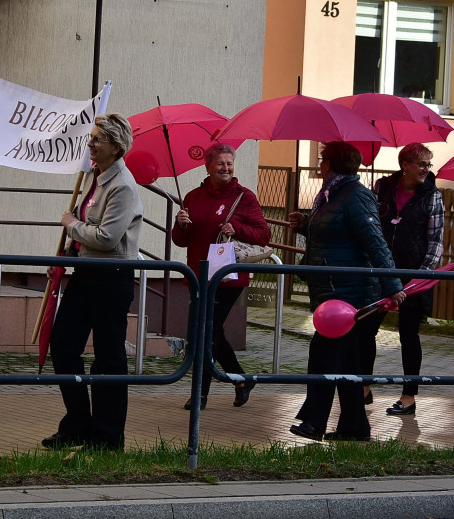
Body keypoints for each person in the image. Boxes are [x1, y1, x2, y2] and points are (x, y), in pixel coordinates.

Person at [287, 141, 403, 442]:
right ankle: (355, 427)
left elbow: (375, 243)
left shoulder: (356, 196)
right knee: (349, 361)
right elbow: (334, 233)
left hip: (349, 294)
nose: (319, 164)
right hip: (333, 289)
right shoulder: (332, 194)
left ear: (333, 164)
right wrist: (306, 225)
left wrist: (393, 286)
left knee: (324, 355)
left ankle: (314, 422)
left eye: (323, 159)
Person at [42, 114, 144, 452]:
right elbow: (88, 230)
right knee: (63, 345)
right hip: (84, 274)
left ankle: (107, 435)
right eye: (91, 137)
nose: (90, 143)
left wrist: (70, 225)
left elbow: (107, 237)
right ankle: (77, 423)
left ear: (116, 147)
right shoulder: (95, 178)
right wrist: (64, 258)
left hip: (111, 279)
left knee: (108, 357)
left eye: (98, 139)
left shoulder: (123, 186)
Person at [172, 142, 271, 409]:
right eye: (220, 164)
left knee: (208, 331)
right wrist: (180, 225)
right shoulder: (193, 196)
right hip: (198, 274)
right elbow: (181, 240)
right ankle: (241, 379)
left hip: (228, 277)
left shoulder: (244, 197)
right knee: (204, 331)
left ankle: (200, 394)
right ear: (208, 167)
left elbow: (264, 235)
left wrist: (236, 227)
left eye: (229, 163)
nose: (226, 168)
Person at [363, 142, 444, 416]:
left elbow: (436, 242)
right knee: (366, 329)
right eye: (421, 164)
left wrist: (420, 277)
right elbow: (371, 224)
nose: (426, 169)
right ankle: (364, 387)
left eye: (428, 165)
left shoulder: (432, 196)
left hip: (413, 275)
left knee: (409, 336)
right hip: (382, 272)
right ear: (405, 165)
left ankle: (408, 396)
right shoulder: (382, 188)